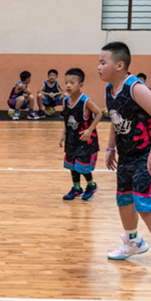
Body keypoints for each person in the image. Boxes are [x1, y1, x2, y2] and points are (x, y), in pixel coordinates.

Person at [100, 42, 151, 283]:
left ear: (119, 65)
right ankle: (133, 241)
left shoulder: (135, 88)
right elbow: (115, 120)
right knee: (124, 199)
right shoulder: (109, 90)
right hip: (128, 152)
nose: (99, 67)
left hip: (150, 152)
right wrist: (110, 147)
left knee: (145, 203)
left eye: (103, 62)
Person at [59, 68, 101, 201]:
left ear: (81, 84)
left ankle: (91, 185)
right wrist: (64, 134)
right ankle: (76, 188)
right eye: (66, 83)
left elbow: (99, 113)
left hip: (85, 140)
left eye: (72, 83)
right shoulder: (65, 101)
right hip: (72, 138)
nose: (68, 85)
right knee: (72, 165)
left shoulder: (85, 101)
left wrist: (90, 129)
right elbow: (67, 120)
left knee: (83, 167)